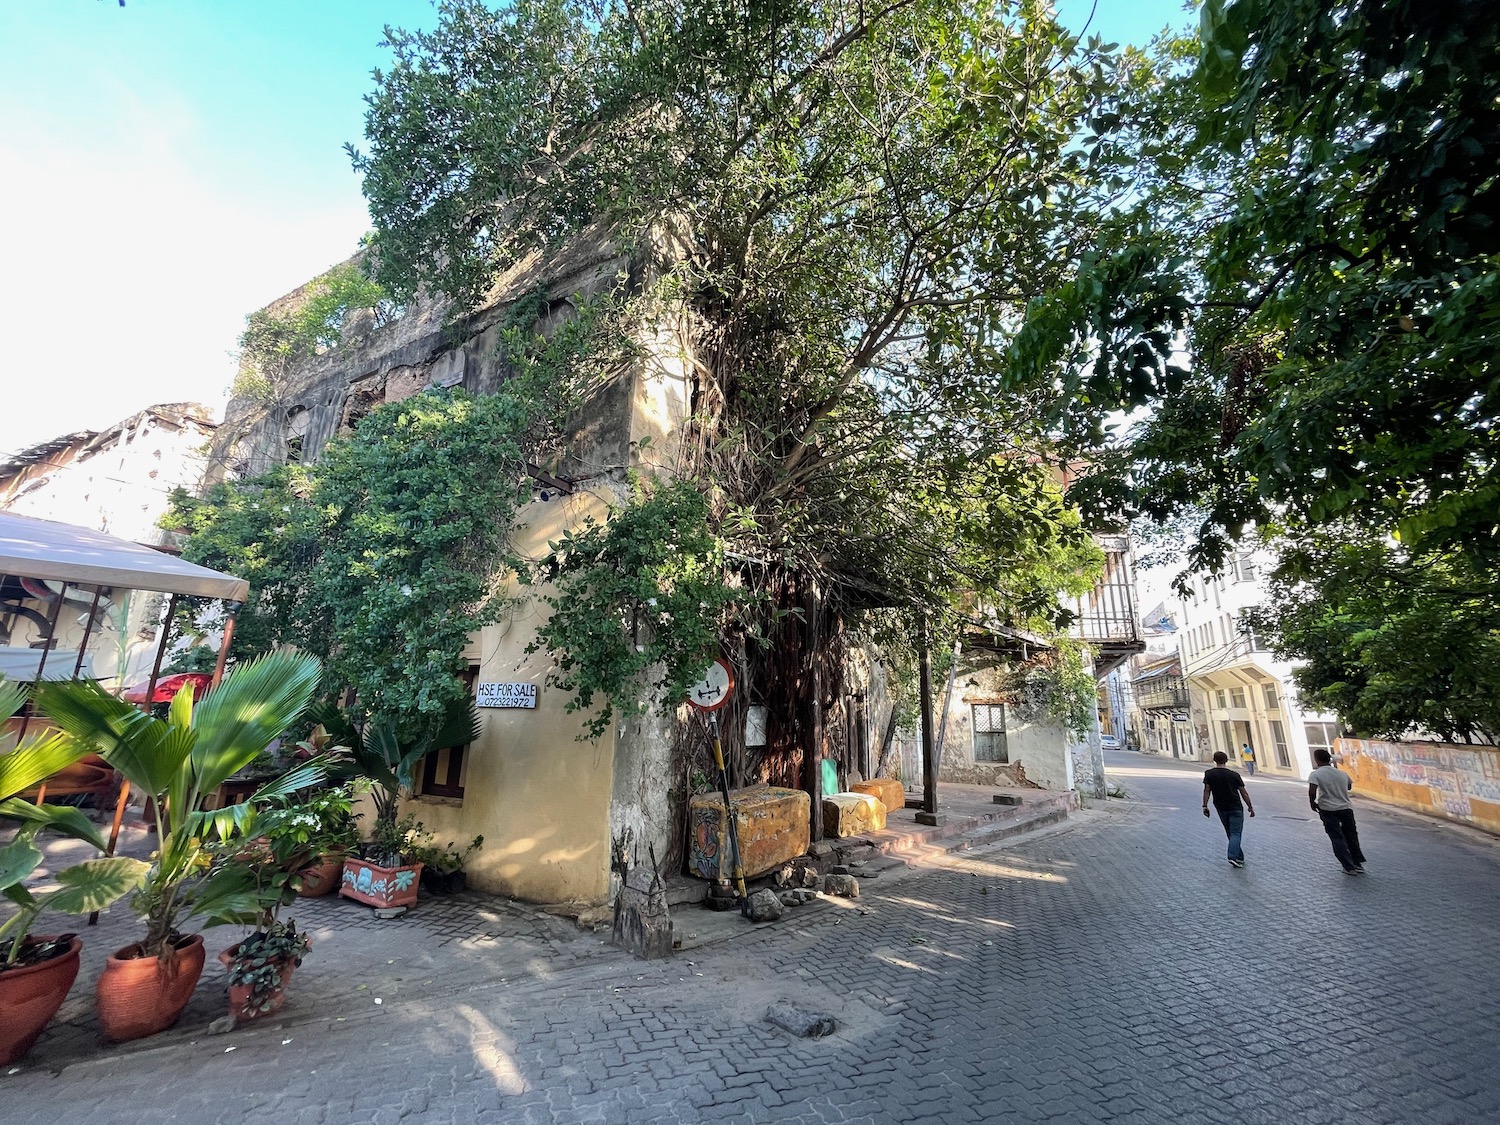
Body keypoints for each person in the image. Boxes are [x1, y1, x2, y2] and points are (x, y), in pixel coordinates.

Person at [1309, 747, 1366, 875]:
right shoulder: (1342, 773)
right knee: (1351, 836)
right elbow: (1349, 786)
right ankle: (1357, 864)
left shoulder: (1316, 774)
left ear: (1317, 760)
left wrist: (1312, 803)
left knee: (1337, 837)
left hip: (1328, 809)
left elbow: (1312, 791)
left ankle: (1348, 866)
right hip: (1346, 808)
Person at [1202, 751, 1256, 868]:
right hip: (1236, 807)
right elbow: (1244, 793)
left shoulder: (1209, 774)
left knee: (1230, 833)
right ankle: (1232, 856)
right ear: (1226, 760)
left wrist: (1205, 806)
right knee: (1236, 833)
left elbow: (1207, 790)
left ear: (1214, 760)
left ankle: (1239, 857)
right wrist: (1250, 807)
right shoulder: (1234, 775)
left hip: (1221, 807)